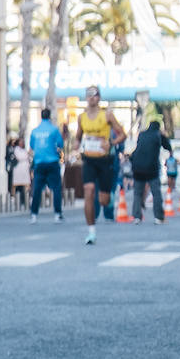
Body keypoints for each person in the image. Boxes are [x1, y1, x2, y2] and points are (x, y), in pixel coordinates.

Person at [75, 84, 126, 245]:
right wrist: (76, 144)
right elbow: (77, 136)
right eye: (89, 95)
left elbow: (123, 135)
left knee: (104, 200)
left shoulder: (107, 115)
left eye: (95, 95)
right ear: (86, 98)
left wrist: (111, 143)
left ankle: (108, 197)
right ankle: (91, 231)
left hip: (105, 160)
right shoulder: (81, 117)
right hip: (89, 159)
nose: (92, 97)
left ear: (99, 98)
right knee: (88, 190)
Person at [130, 118, 173, 224]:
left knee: (137, 193)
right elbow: (167, 146)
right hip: (151, 168)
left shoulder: (142, 134)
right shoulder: (158, 135)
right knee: (156, 193)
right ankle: (158, 217)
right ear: (159, 128)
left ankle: (136, 217)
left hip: (138, 167)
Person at [27, 108, 64, 223]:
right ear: (49, 116)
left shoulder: (35, 131)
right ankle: (57, 214)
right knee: (56, 188)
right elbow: (60, 144)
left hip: (39, 162)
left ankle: (34, 215)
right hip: (52, 162)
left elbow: (32, 146)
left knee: (37, 189)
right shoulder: (54, 130)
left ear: (41, 116)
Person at [11, 137, 31, 208]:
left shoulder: (23, 150)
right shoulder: (16, 149)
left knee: (24, 187)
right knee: (18, 186)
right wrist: (27, 154)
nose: (22, 143)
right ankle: (18, 200)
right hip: (19, 171)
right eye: (21, 141)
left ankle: (24, 200)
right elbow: (21, 157)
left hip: (24, 171)